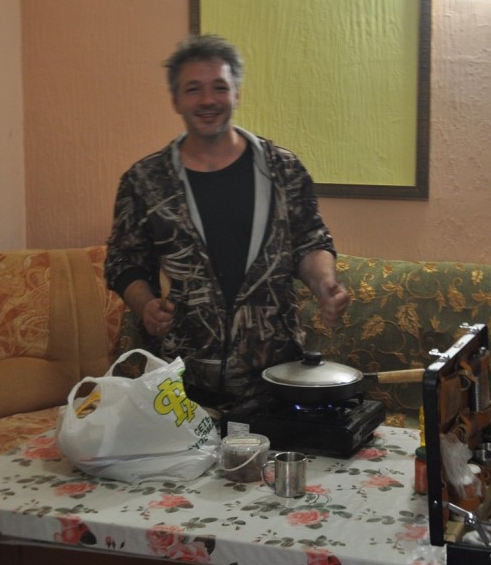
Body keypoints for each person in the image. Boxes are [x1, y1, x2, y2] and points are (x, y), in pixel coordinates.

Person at [105, 34, 349, 407]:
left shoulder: (283, 170)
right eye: (193, 89)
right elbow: (123, 260)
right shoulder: (145, 181)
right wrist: (145, 306)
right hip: (182, 384)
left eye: (219, 87)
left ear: (236, 94)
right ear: (176, 100)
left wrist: (325, 284)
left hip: (275, 379)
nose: (208, 100)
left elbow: (310, 241)